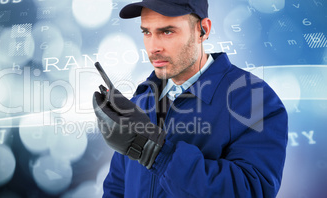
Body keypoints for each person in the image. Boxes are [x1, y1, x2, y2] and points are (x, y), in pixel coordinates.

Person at [92, 0, 288, 197]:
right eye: (146, 32)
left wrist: (153, 151)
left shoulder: (254, 99)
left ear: (203, 30)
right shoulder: (141, 100)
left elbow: (251, 191)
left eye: (167, 31)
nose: (153, 47)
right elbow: (117, 188)